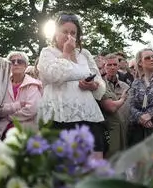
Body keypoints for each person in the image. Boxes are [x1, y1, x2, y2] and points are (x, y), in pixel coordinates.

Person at [37, 12, 106, 159]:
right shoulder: (47, 53)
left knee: (93, 168)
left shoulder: (85, 54)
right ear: (56, 33)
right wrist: (66, 53)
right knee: (63, 172)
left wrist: (93, 85)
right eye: (65, 32)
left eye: (73, 33)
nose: (69, 36)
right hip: (58, 118)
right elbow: (53, 75)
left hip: (88, 116)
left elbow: (100, 84)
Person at [0, 51, 43, 138]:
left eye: (20, 61)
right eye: (12, 62)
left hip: (26, 131)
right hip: (3, 130)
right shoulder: (2, 84)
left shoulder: (33, 84)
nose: (16, 63)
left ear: (26, 66)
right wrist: (18, 105)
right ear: (9, 66)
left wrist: (9, 116)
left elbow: (32, 109)